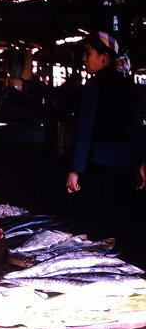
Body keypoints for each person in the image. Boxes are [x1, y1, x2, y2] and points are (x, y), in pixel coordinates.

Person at [66, 32, 145, 260]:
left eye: (88, 53)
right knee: (122, 224)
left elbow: (85, 130)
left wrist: (75, 169)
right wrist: (141, 161)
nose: (84, 58)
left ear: (104, 57)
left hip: (99, 165)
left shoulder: (94, 86)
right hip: (126, 165)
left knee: (99, 227)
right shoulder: (128, 86)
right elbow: (137, 127)